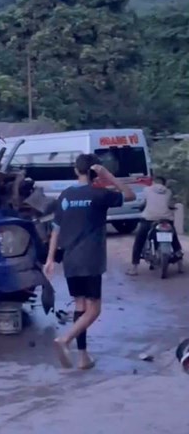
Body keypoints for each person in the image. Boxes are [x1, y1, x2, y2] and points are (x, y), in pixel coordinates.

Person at [44, 154, 135, 370]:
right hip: (91, 259)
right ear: (95, 172)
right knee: (94, 310)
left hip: (70, 260)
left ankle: (83, 357)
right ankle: (65, 339)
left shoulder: (65, 196)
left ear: (76, 171)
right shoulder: (99, 194)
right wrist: (108, 176)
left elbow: (55, 230)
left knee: (80, 305)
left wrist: (49, 259)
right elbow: (130, 195)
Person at [129, 176, 183, 276]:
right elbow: (170, 205)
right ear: (164, 183)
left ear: (153, 182)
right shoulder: (168, 192)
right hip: (166, 220)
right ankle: (180, 265)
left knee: (139, 241)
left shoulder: (146, 190)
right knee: (174, 239)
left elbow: (145, 203)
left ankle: (134, 268)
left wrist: (141, 207)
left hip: (149, 220)